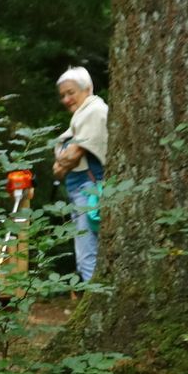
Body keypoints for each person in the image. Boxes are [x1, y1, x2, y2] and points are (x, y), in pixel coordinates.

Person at [51, 65, 108, 283]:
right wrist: (63, 161)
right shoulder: (82, 116)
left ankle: (94, 299)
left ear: (88, 89)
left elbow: (70, 156)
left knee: (87, 253)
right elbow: (61, 166)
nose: (66, 99)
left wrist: (62, 159)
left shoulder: (94, 111)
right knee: (84, 249)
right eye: (63, 95)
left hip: (89, 190)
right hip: (81, 192)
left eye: (71, 93)